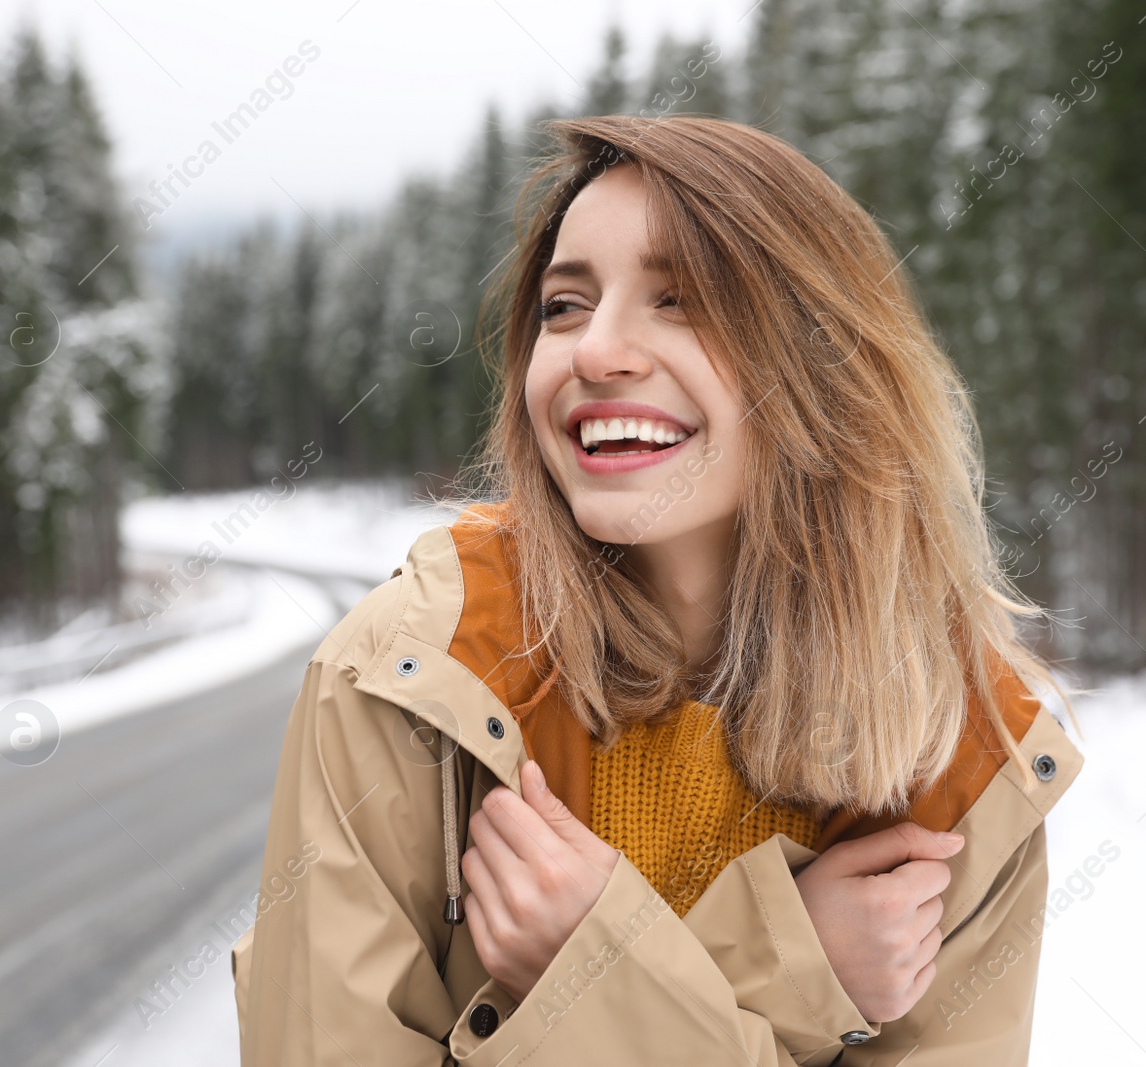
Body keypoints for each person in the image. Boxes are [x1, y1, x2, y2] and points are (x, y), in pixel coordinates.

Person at [233, 114, 1083, 1066]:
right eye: (563, 306)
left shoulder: (959, 755)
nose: (597, 351)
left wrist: (593, 964)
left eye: (679, 299)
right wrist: (777, 967)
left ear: (826, 361)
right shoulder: (410, 675)